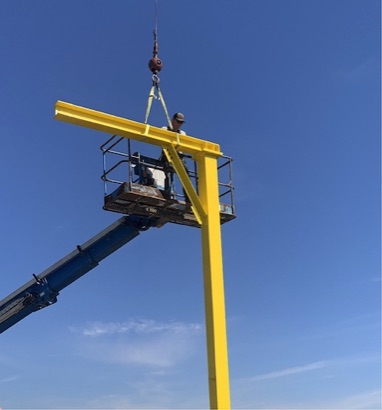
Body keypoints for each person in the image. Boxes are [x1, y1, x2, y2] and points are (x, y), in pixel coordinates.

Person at [160, 113, 189, 201]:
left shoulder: (182, 133)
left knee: (185, 176)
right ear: (173, 120)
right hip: (167, 156)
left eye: (181, 123)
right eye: (178, 122)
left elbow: (184, 144)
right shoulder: (165, 129)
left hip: (180, 157)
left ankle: (189, 198)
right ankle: (167, 195)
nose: (179, 124)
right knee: (168, 175)